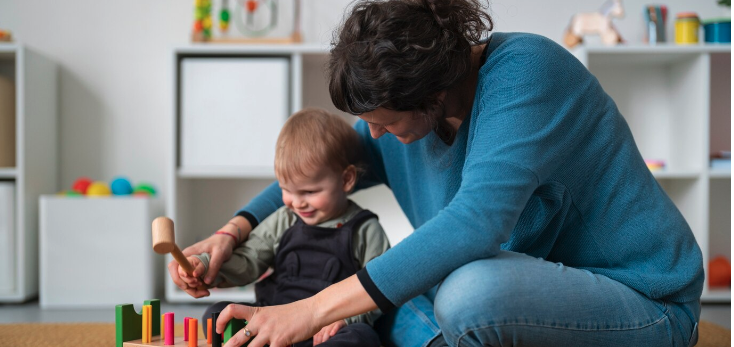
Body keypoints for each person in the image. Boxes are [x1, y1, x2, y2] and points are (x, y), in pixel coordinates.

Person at [169, 1, 704, 346]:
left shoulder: (527, 73)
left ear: (432, 92)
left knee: (468, 292)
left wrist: (307, 311)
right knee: (385, 306)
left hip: (642, 302)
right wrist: (231, 231)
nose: (373, 137)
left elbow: (477, 225)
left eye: (383, 123)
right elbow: (323, 167)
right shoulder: (406, 121)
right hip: (532, 294)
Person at [176, 108, 389, 347]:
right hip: (272, 319)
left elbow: (378, 291)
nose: (297, 202)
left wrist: (348, 319)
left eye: (310, 191)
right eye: (286, 190)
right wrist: (206, 265)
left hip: (326, 332)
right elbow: (248, 260)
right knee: (218, 314)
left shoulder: (366, 228)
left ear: (346, 179)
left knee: (362, 337)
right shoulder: (284, 218)